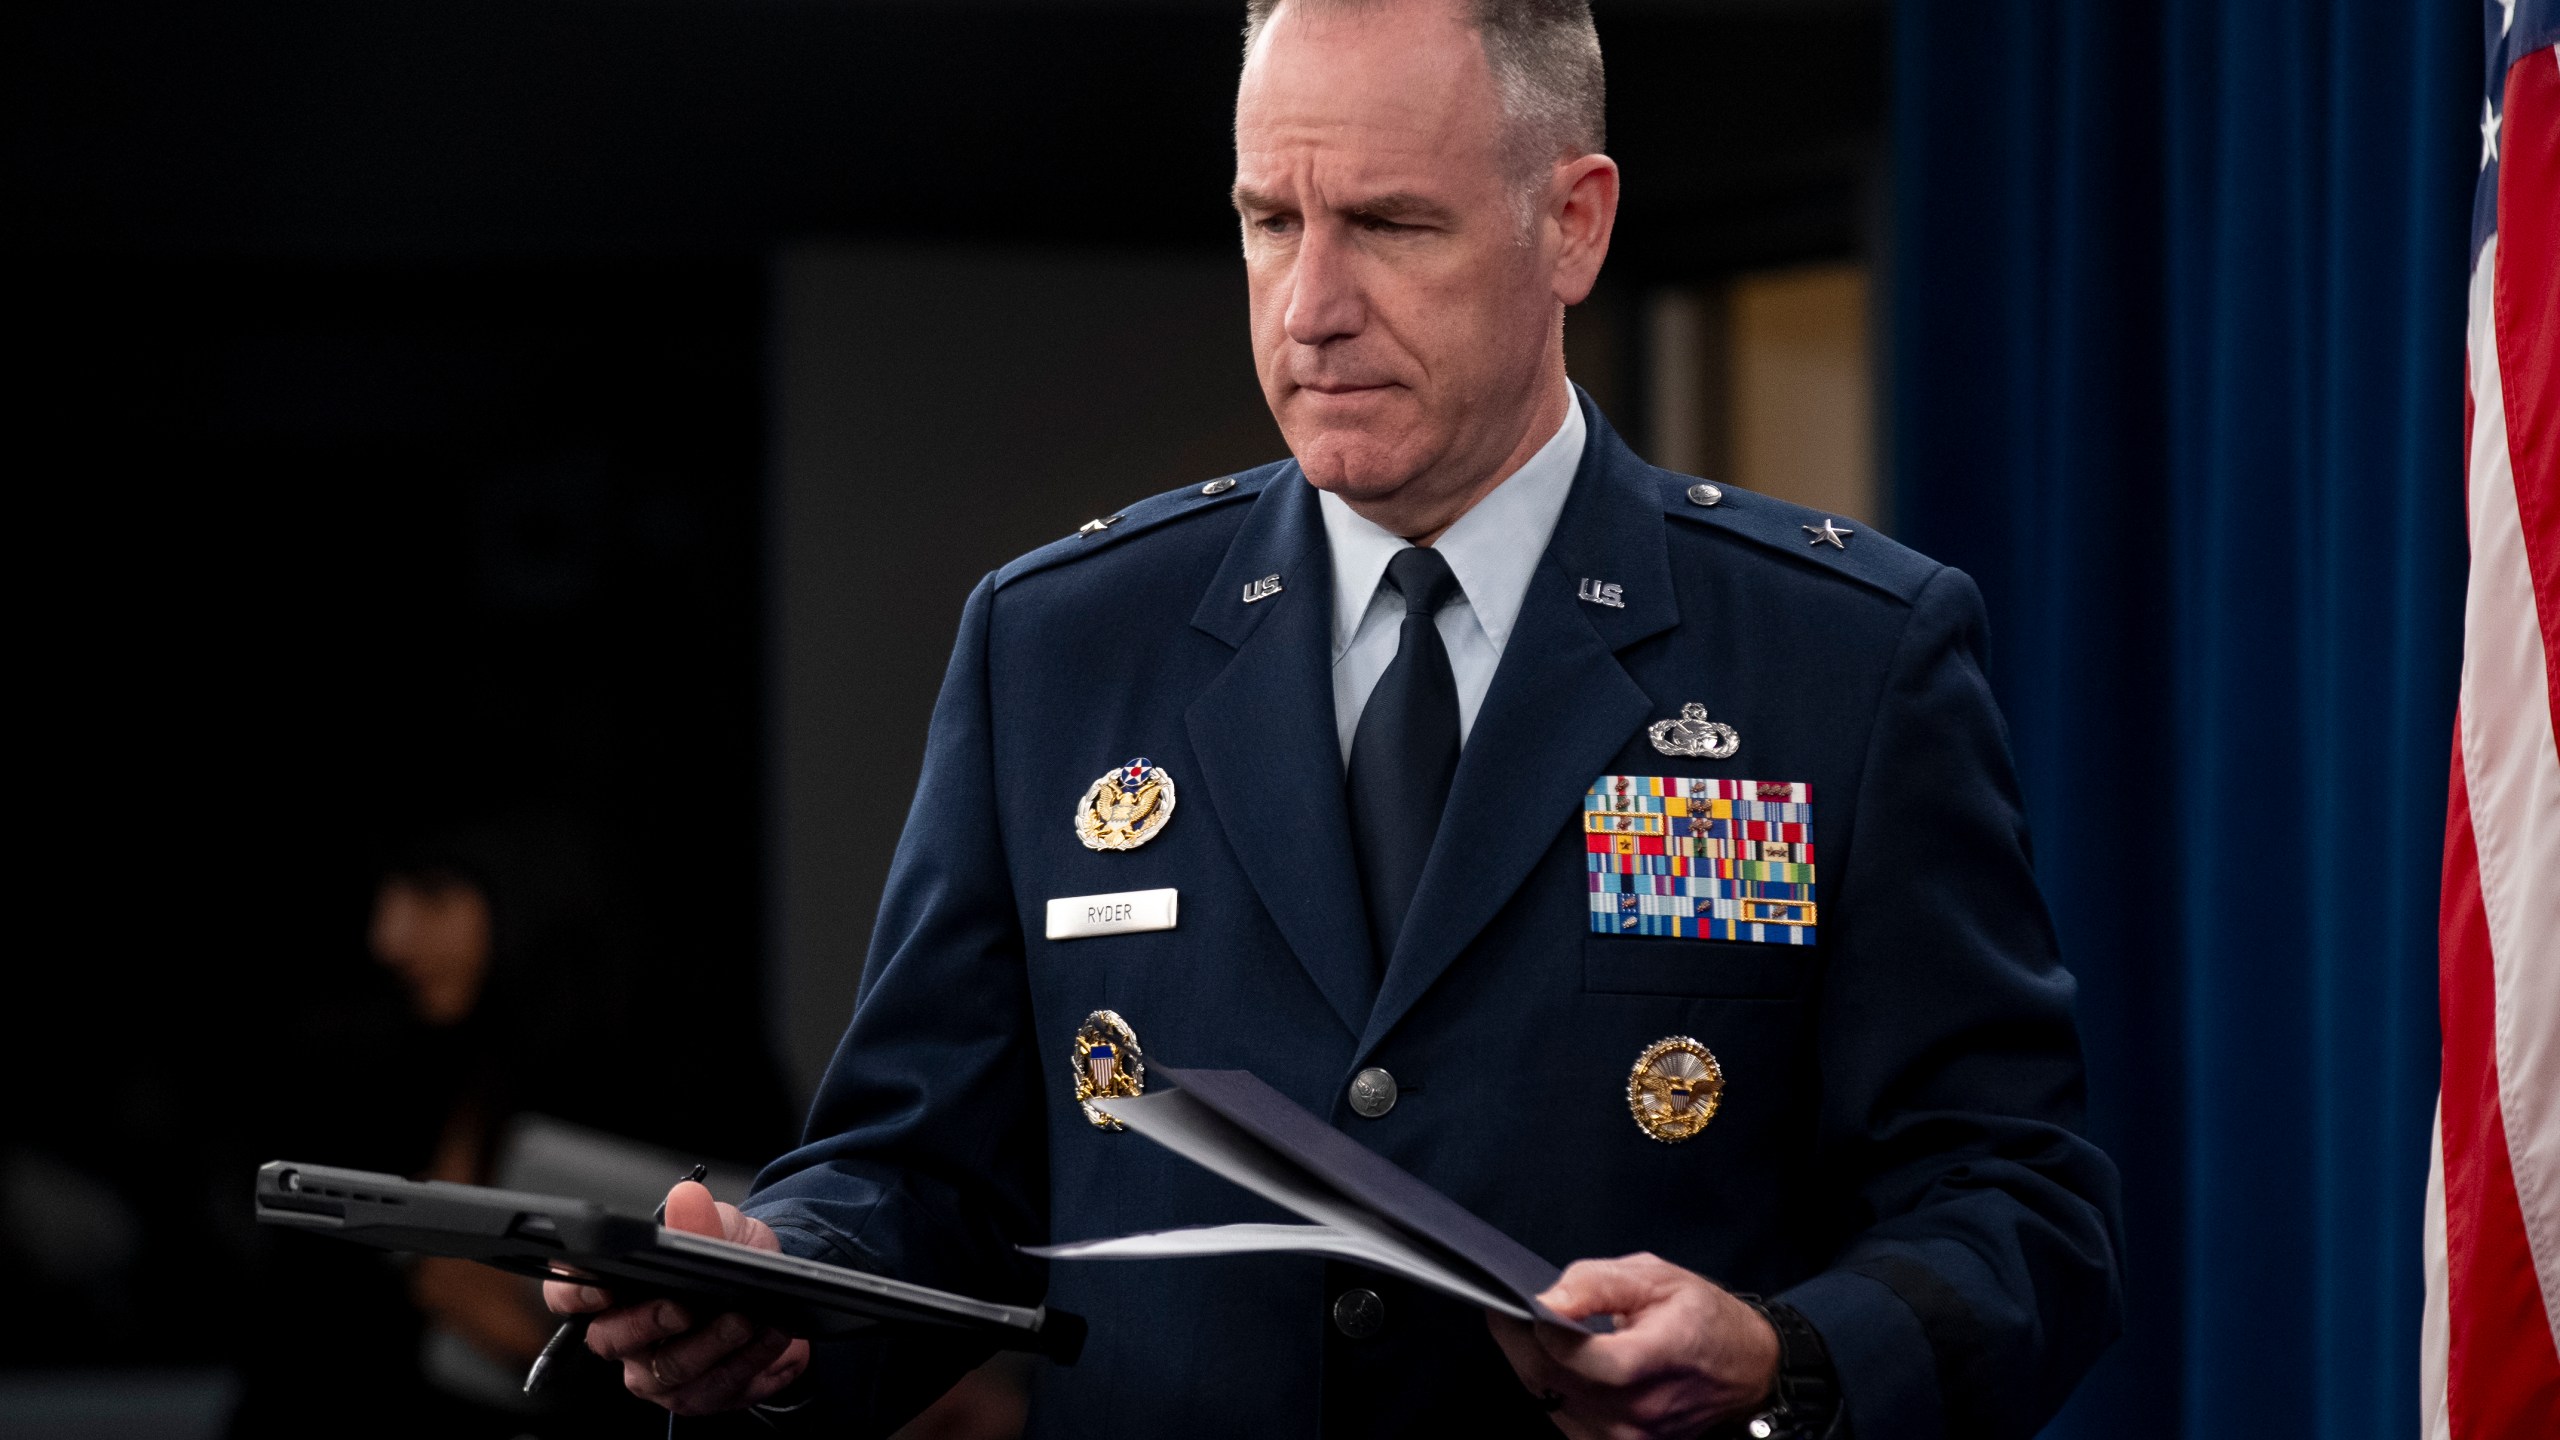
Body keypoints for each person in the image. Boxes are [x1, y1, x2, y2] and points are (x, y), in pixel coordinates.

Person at [550, 2, 2124, 1435]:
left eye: (1387, 224)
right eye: (1267, 221)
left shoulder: (1841, 659)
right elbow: (922, 1176)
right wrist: (775, 1296)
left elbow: (2015, 1210)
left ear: (1572, 226)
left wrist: (1790, 1357)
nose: (1310, 307)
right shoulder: (1059, 647)